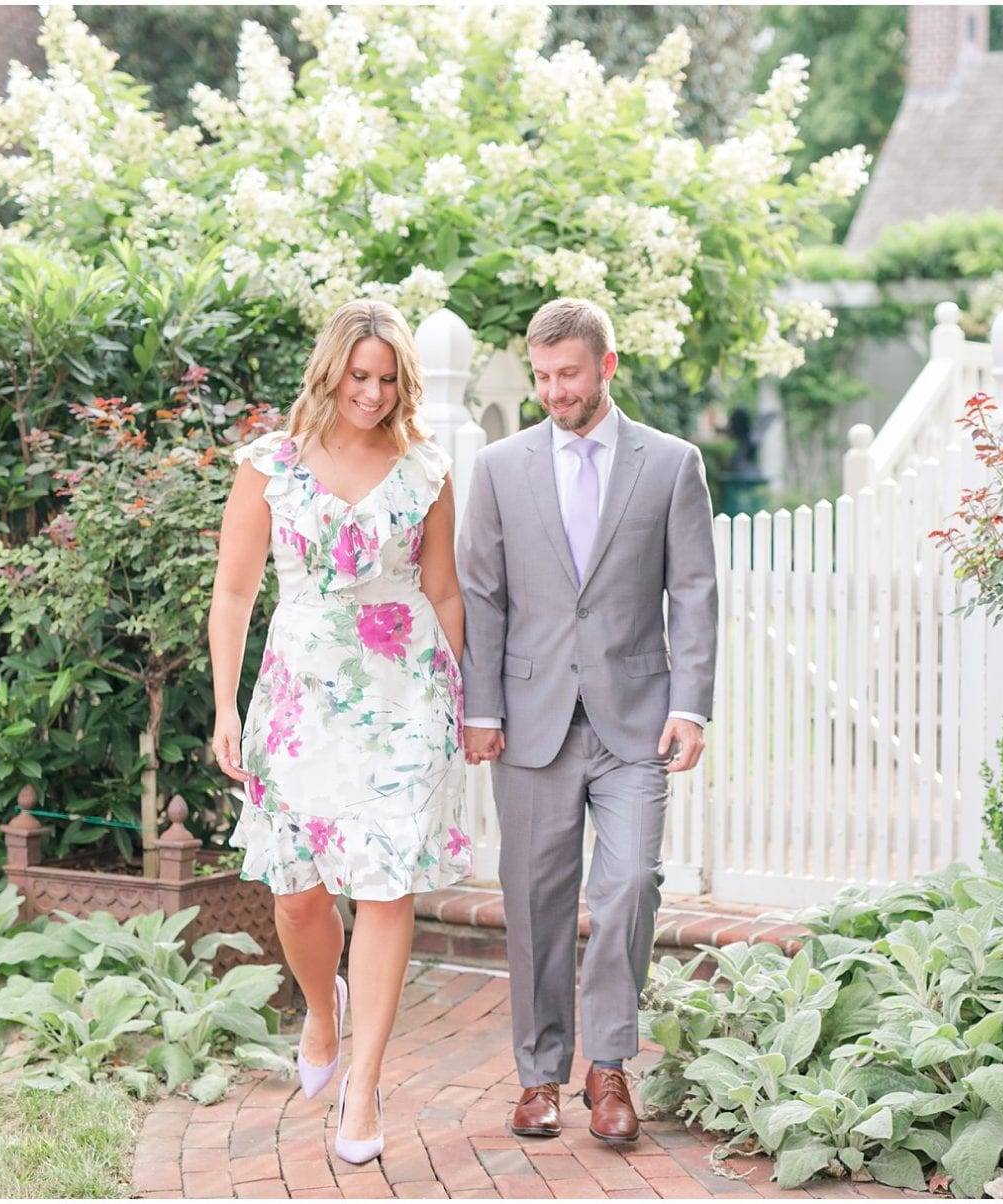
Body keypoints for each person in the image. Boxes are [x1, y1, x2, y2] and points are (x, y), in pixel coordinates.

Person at [208, 298, 472, 1165]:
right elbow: (236, 594)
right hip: (300, 695)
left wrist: (463, 699)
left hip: (406, 697)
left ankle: (363, 1086)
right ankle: (323, 1010)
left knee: (388, 884)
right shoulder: (270, 465)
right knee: (299, 892)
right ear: (330, 371)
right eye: (359, 375)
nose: (372, 392)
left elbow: (441, 592)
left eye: (388, 379)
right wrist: (224, 707)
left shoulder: (426, 468)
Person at [457, 297, 718, 1143]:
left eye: (567, 374)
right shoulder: (499, 468)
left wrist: (690, 704)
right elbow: (483, 596)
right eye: (540, 376)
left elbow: (694, 590)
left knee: (631, 882)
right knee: (534, 901)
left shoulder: (672, 464)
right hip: (528, 718)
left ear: (607, 366)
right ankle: (540, 1077)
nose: (552, 391)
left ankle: (609, 1069)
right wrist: (482, 706)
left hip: (636, 719)